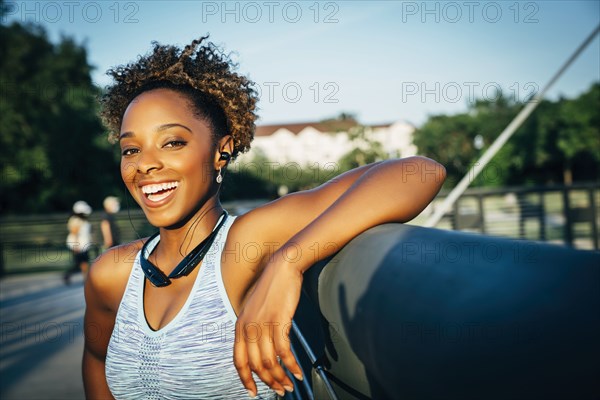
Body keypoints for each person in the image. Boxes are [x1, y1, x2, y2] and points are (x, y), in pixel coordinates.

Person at [83, 37, 446, 399]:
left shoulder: (245, 243)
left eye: (173, 142)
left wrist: (287, 262)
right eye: (131, 149)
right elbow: (97, 362)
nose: (144, 164)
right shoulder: (110, 274)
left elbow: (420, 173)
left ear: (221, 152)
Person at [65, 200, 93, 284]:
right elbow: (74, 233)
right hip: (79, 246)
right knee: (81, 263)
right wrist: (76, 246)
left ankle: (85, 279)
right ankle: (84, 279)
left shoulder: (82, 220)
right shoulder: (76, 220)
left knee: (82, 263)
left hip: (83, 245)